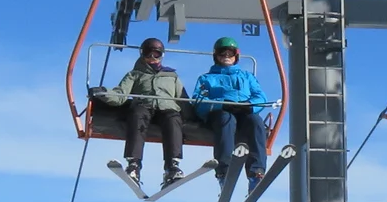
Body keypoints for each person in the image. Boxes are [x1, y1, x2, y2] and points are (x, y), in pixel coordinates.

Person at [192, 36, 270, 182]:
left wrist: (249, 107)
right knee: (226, 119)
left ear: (236, 56)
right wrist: (222, 104)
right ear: (216, 56)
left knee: (255, 121)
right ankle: (224, 170)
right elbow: (199, 101)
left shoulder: (247, 76)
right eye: (223, 53)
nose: (226, 56)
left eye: (230, 53)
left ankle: (256, 171)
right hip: (219, 114)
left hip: (243, 112)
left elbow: (261, 97)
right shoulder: (207, 78)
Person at [113, 37, 188, 188]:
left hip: (167, 108)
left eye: (156, 55)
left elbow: (183, 99)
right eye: (148, 55)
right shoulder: (135, 74)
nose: (152, 59)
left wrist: (196, 117)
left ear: (162, 55)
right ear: (142, 55)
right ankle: (134, 164)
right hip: (144, 105)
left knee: (173, 118)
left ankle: (172, 166)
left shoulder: (171, 76)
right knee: (137, 115)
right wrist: (103, 94)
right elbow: (120, 94)